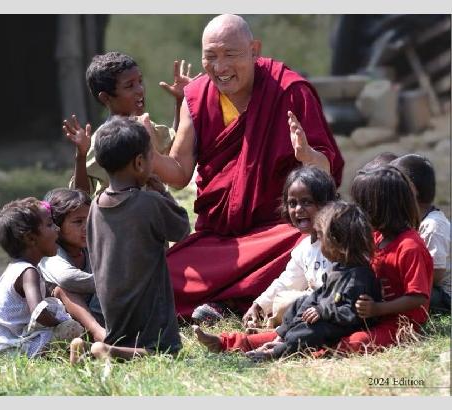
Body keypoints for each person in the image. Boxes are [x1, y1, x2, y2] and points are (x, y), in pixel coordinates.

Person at [148, 14, 344, 319]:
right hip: (221, 242)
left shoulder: (290, 91)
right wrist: (149, 153)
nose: (220, 67)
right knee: (164, 274)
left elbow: (328, 174)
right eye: (210, 57)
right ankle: (233, 300)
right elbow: (179, 173)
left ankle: (225, 301)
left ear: (254, 50)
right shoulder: (196, 97)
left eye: (230, 54)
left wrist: (307, 155)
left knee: (309, 241)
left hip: (279, 231)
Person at [193, 201, 381, 360]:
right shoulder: (339, 267)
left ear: (337, 242)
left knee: (311, 331)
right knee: (301, 303)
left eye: (322, 237)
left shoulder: (359, 277)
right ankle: (275, 338)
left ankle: (275, 353)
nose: (319, 242)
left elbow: (352, 313)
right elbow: (320, 294)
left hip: (337, 326)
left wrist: (323, 311)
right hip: (323, 316)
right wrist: (311, 305)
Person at [75, 117, 190, 361]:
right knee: (165, 352)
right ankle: (107, 350)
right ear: (139, 163)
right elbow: (182, 229)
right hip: (148, 310)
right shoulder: (149, 203)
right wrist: (163, 192)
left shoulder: (96, 206)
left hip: (112, 310)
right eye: (151, 157)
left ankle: (100, 348)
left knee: (129, 342)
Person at [63, 52, 195, 195]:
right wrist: (81, 156)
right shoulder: (104, 140)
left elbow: (174, 148)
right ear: (106, 97)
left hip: (152, 208)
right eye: (129, 86)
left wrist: (181, 102)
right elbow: (80, 195)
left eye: (140, 81)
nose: (140, 90)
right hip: (117, 209)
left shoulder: (144, 125)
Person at [337, 165, 433, 353]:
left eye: (361, 206)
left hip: (401, 324)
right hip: (371, 315)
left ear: (380, 208)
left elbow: (418, 297)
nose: (358, 213)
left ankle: (318, 350)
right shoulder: (377, 238)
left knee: (356, 342)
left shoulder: (409, 246)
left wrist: (377, 309)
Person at [0, 198, 84, 358]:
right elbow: (38, 312)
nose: (57, 228)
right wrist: (61, 324)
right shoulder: (28, 272)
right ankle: (80, 353)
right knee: (70, 329)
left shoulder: (15, 268)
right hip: (9, 348)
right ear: (30, 238)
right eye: (49, 224)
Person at [238, 166, 338, 330]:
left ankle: (271, 333)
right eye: (292, 203)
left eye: (307, 202)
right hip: (312, 306)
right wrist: (258, 306)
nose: (298, 209)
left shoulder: (340, 241)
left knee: (287, 303)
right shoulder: (304, 248)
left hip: (335, 304)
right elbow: (287, 282)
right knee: (283, 300)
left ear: (326, 204)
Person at [38, 188, 106, 342]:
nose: (87, 227)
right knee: (62, 290)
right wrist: (115, 283)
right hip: (60, 323)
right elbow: (67, 278)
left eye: (90, 220)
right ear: (57, 226)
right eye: (78, 222)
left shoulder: (89, 248)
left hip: (93, 315)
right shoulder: (51, 253)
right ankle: (97, 333)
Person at [391, 154, 450, 313]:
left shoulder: (433, 226)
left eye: (392, 184)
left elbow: (436, 276)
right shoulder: (411, 220)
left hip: (443, 294)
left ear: (411, 189)